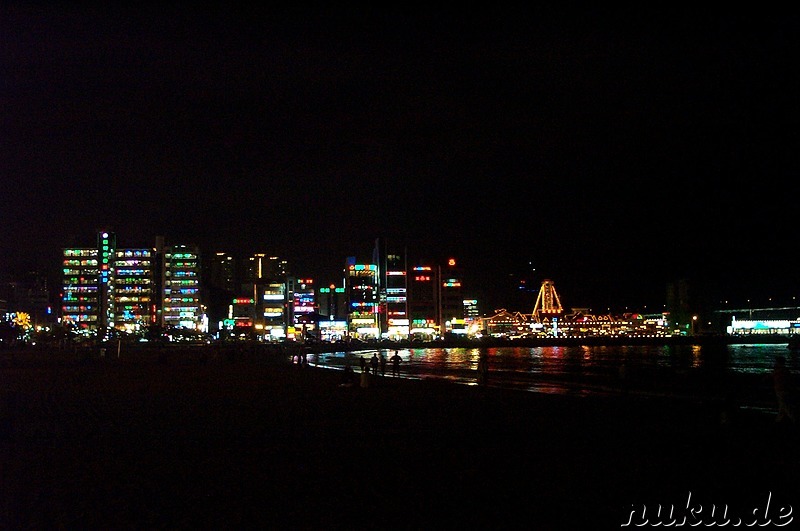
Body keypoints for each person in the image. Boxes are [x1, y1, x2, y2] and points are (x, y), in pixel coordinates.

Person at [772, 355, 796, 423]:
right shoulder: (785, 370)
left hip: (780, 390)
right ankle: (779, 419)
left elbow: (771, 376)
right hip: (784, 389)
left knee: (785, 406)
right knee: (783, 405)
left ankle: (793, 419)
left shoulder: (778, 370)